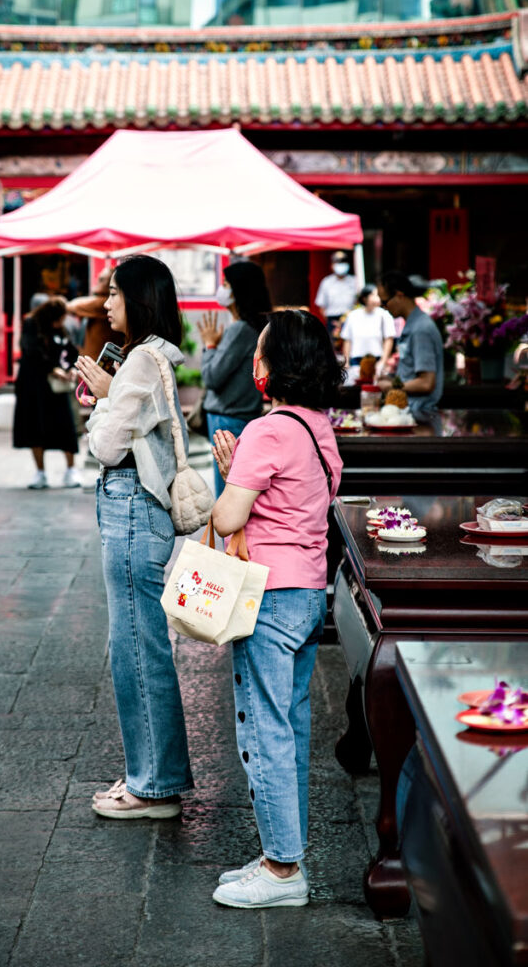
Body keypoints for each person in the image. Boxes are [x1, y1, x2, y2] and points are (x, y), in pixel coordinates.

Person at [209, 309, 343, 910]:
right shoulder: (318, 426)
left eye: (260, 352)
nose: (253, 362)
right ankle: (279, 853)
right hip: (309, 593)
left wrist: (230, 472)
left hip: (268, 595)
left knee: (265, 730)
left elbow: (228, 517)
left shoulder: (267, 430)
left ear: (273, 365)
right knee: (290, 725)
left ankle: (284, 871)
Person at [75, 254, 194, 819]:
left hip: (129, 505)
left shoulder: (143, 361)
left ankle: (154, 786)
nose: (107, 304)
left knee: (136, 648)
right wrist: (108, 393)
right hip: (139, 509)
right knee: (140, 643)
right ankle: (153, 777)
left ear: (140, 299)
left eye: (116, 294)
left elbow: (104, 446)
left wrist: (103, 397)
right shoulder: (154, 359)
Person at [197, 261, 270, 497]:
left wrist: (209, 345)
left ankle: (229, 537)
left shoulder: (239, 329)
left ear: (239, 290)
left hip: (228, 419)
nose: (222, 289)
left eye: (226, 284)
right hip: (241, 416)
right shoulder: (254, 327)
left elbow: (212, 377)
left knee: (228, 492)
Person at [13, 297, 81, 489]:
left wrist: (72, 368)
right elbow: (30, 351)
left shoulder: (60, 329)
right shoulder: (31, 324)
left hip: (55, 386)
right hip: (33, 385)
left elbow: (71, 351)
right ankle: (40, 473)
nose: (61, 323)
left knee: (65, 426)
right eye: (59, 319)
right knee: (35, 427)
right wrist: (54, 369)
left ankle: (71, 470)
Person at [376, 271, 444, 424]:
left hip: (419, 414)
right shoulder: (414, 325)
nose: (383, 307)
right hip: (411, 412)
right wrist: (390, 378)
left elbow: (426, 383)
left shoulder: (421, 329)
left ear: (400, 295)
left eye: (385, 302)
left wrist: (390, 386)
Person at [67, 267, 125, 360]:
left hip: (97, 359)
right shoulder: (102, 301)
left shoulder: (102, 302)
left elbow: (71, 306)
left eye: (102, 280)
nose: (98, 282)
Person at [341, 284, 396, 380]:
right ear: (364, 298)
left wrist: (383, 361)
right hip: (356, 361)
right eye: (373, 295)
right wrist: (346, 361)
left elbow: (389, 339)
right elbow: (347, 340)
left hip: (377, 359)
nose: (377, 298)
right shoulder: (353, 316)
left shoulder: (384, 315)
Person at [315, 251, 360, 339]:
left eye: (343, 261)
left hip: (351, 319)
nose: (341, 264)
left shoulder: (354, 281)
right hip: (332, 321)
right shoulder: (326, 282)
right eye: (338, 262)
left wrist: (346, 319)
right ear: (332, 265)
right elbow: (321, 306)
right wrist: (333, 323)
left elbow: (358, 302)